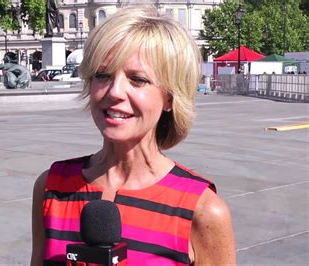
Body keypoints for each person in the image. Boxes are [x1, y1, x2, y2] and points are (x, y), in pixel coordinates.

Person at [31, 6, 235, 266]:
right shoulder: (51, 187)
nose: (115, 91)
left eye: (137, 79)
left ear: (170, 97)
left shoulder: (203, 211)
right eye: (102, 75)